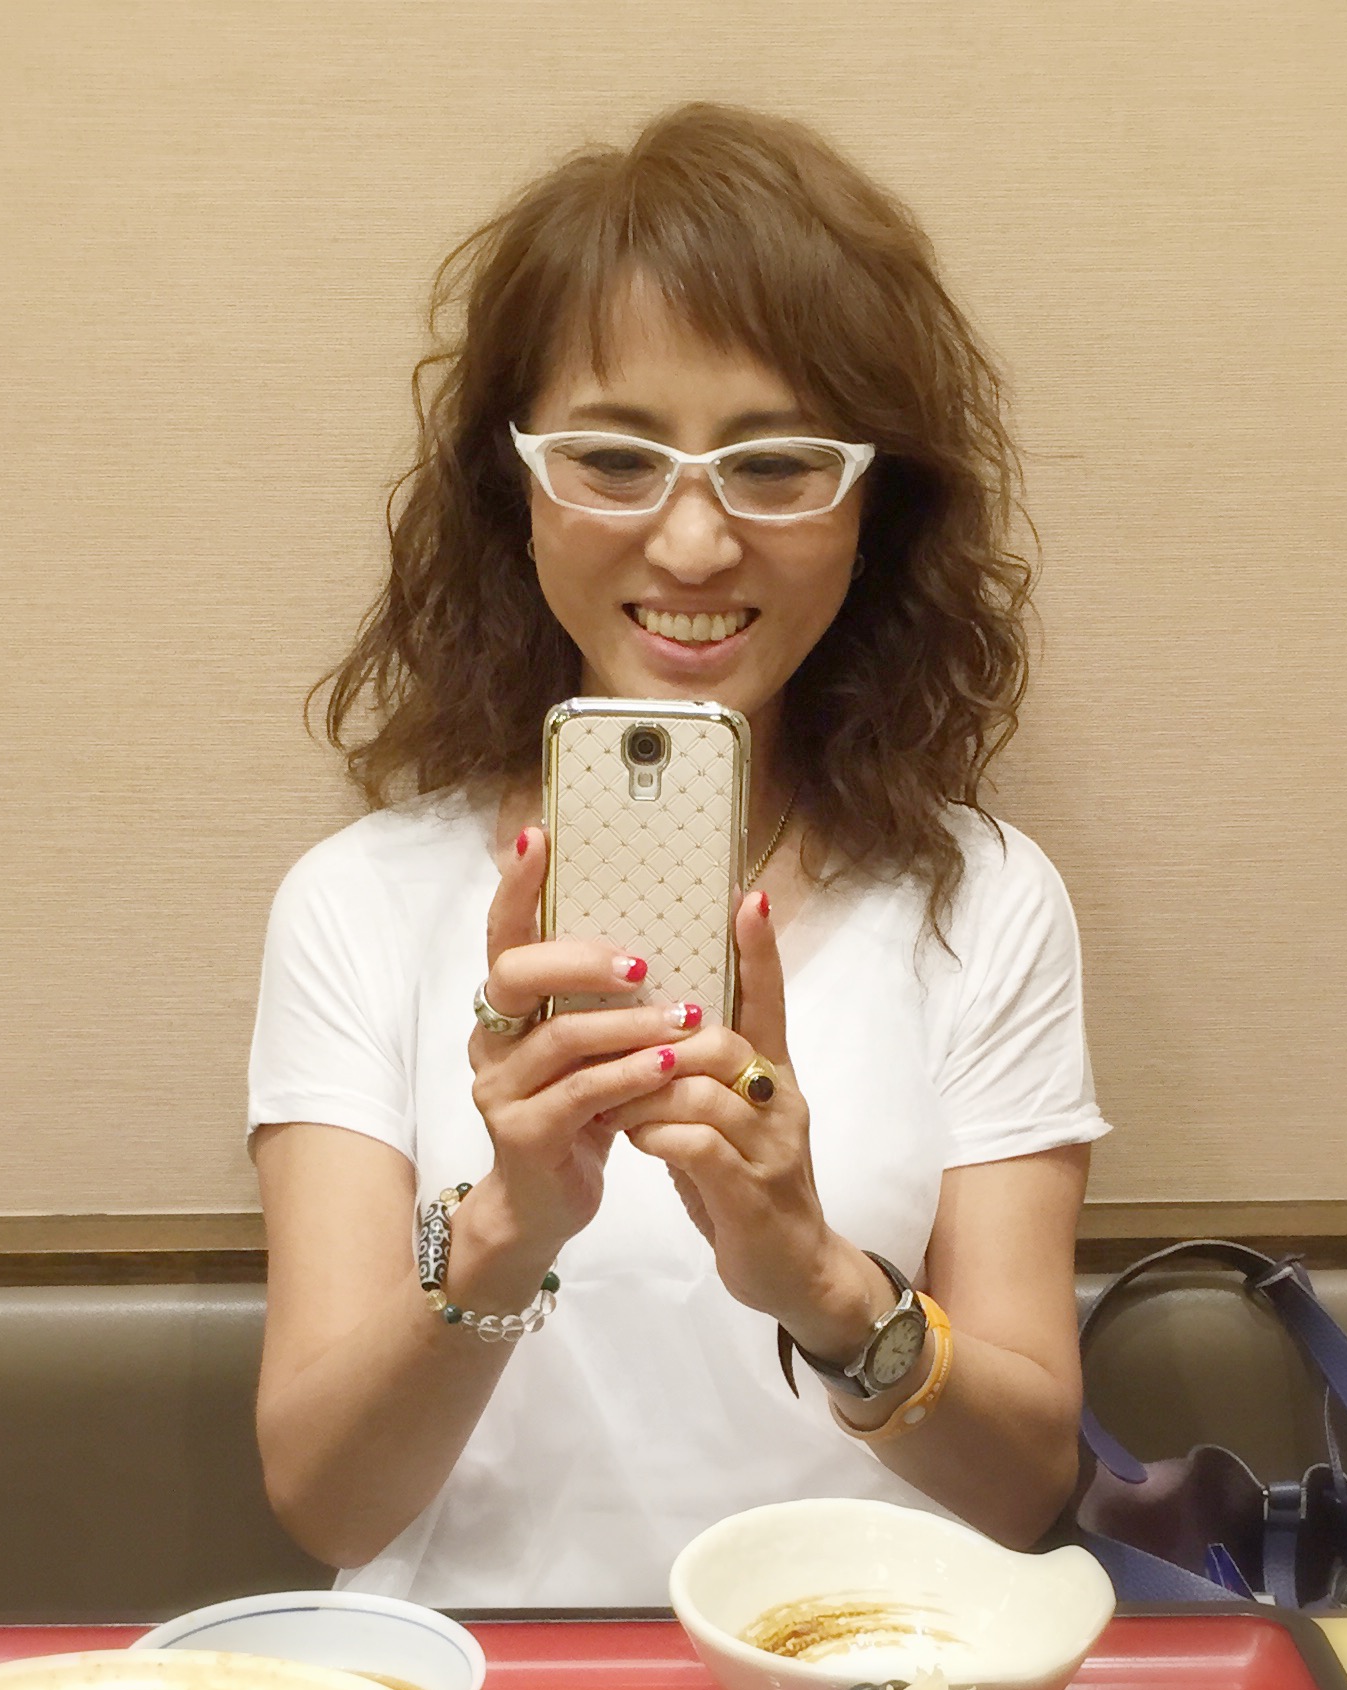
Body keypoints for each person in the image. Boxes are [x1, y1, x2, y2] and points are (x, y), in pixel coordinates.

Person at [247, 103, 1105, 1608]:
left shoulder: (984, 904)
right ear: (515, 488)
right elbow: (327, 1506)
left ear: (873, 507)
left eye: (776, 466)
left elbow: (1026, 1484)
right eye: (613, 458)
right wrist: (506, 1232)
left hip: (862, 1689)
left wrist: (819, 1282)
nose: (695, 545)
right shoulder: (359, 905)